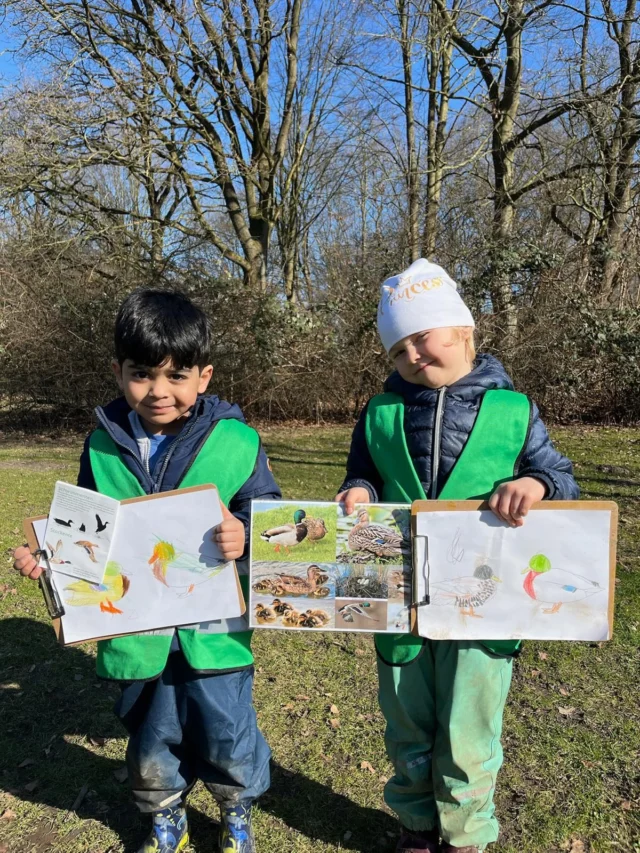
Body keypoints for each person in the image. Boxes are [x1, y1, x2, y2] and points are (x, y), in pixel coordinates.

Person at [14, 289, 281, 853]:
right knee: (152, 736)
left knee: (228, 732)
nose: (159, 390)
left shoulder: (238, 440)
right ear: (118, 372)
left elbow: (267, 514)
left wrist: (247, 533)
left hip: (216, 635)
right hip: (136, 633)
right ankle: (165, 813)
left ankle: (236, 810)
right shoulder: (101, 445)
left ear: (203, 377)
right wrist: (47, 561)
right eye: (141, 374)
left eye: (177, 375)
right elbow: (84, 528)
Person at [335, 259, 579, 853]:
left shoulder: (514, 410)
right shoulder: (380, 414)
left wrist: (537, 487)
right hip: (401, 605)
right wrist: (359, 493)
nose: (413, 354)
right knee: (407, 721)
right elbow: (361, 475)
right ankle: (416, 825)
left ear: (463, 331)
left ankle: (466, 833)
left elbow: (557, 475)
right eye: (398, 349)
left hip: (482, 607)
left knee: (468, 729)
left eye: (423, 335)